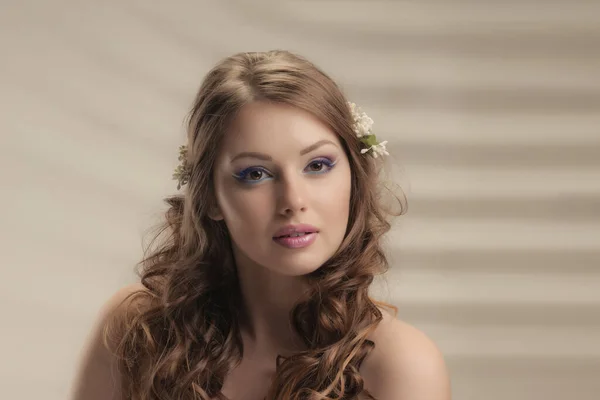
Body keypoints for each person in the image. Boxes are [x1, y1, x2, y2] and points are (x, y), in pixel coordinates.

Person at [71, 50, 451, 400]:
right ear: (209, 197)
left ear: (354, 177)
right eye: (255, 173)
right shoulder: (137, 330)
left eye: (317, 165)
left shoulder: (402, 368)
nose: (293, 201)